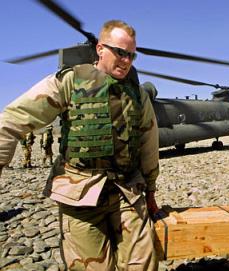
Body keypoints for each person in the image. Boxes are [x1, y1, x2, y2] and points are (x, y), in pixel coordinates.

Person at [0, 20, 160, 270]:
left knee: (143, 264)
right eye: (120, 52)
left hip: (127, 190)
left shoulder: (137, 93)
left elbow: (149, 143)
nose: (127, 60)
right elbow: (11, 121)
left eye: (131, 55)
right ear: (100, 49)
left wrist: (150, 190)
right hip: (80, 194)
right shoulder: (69, 81)